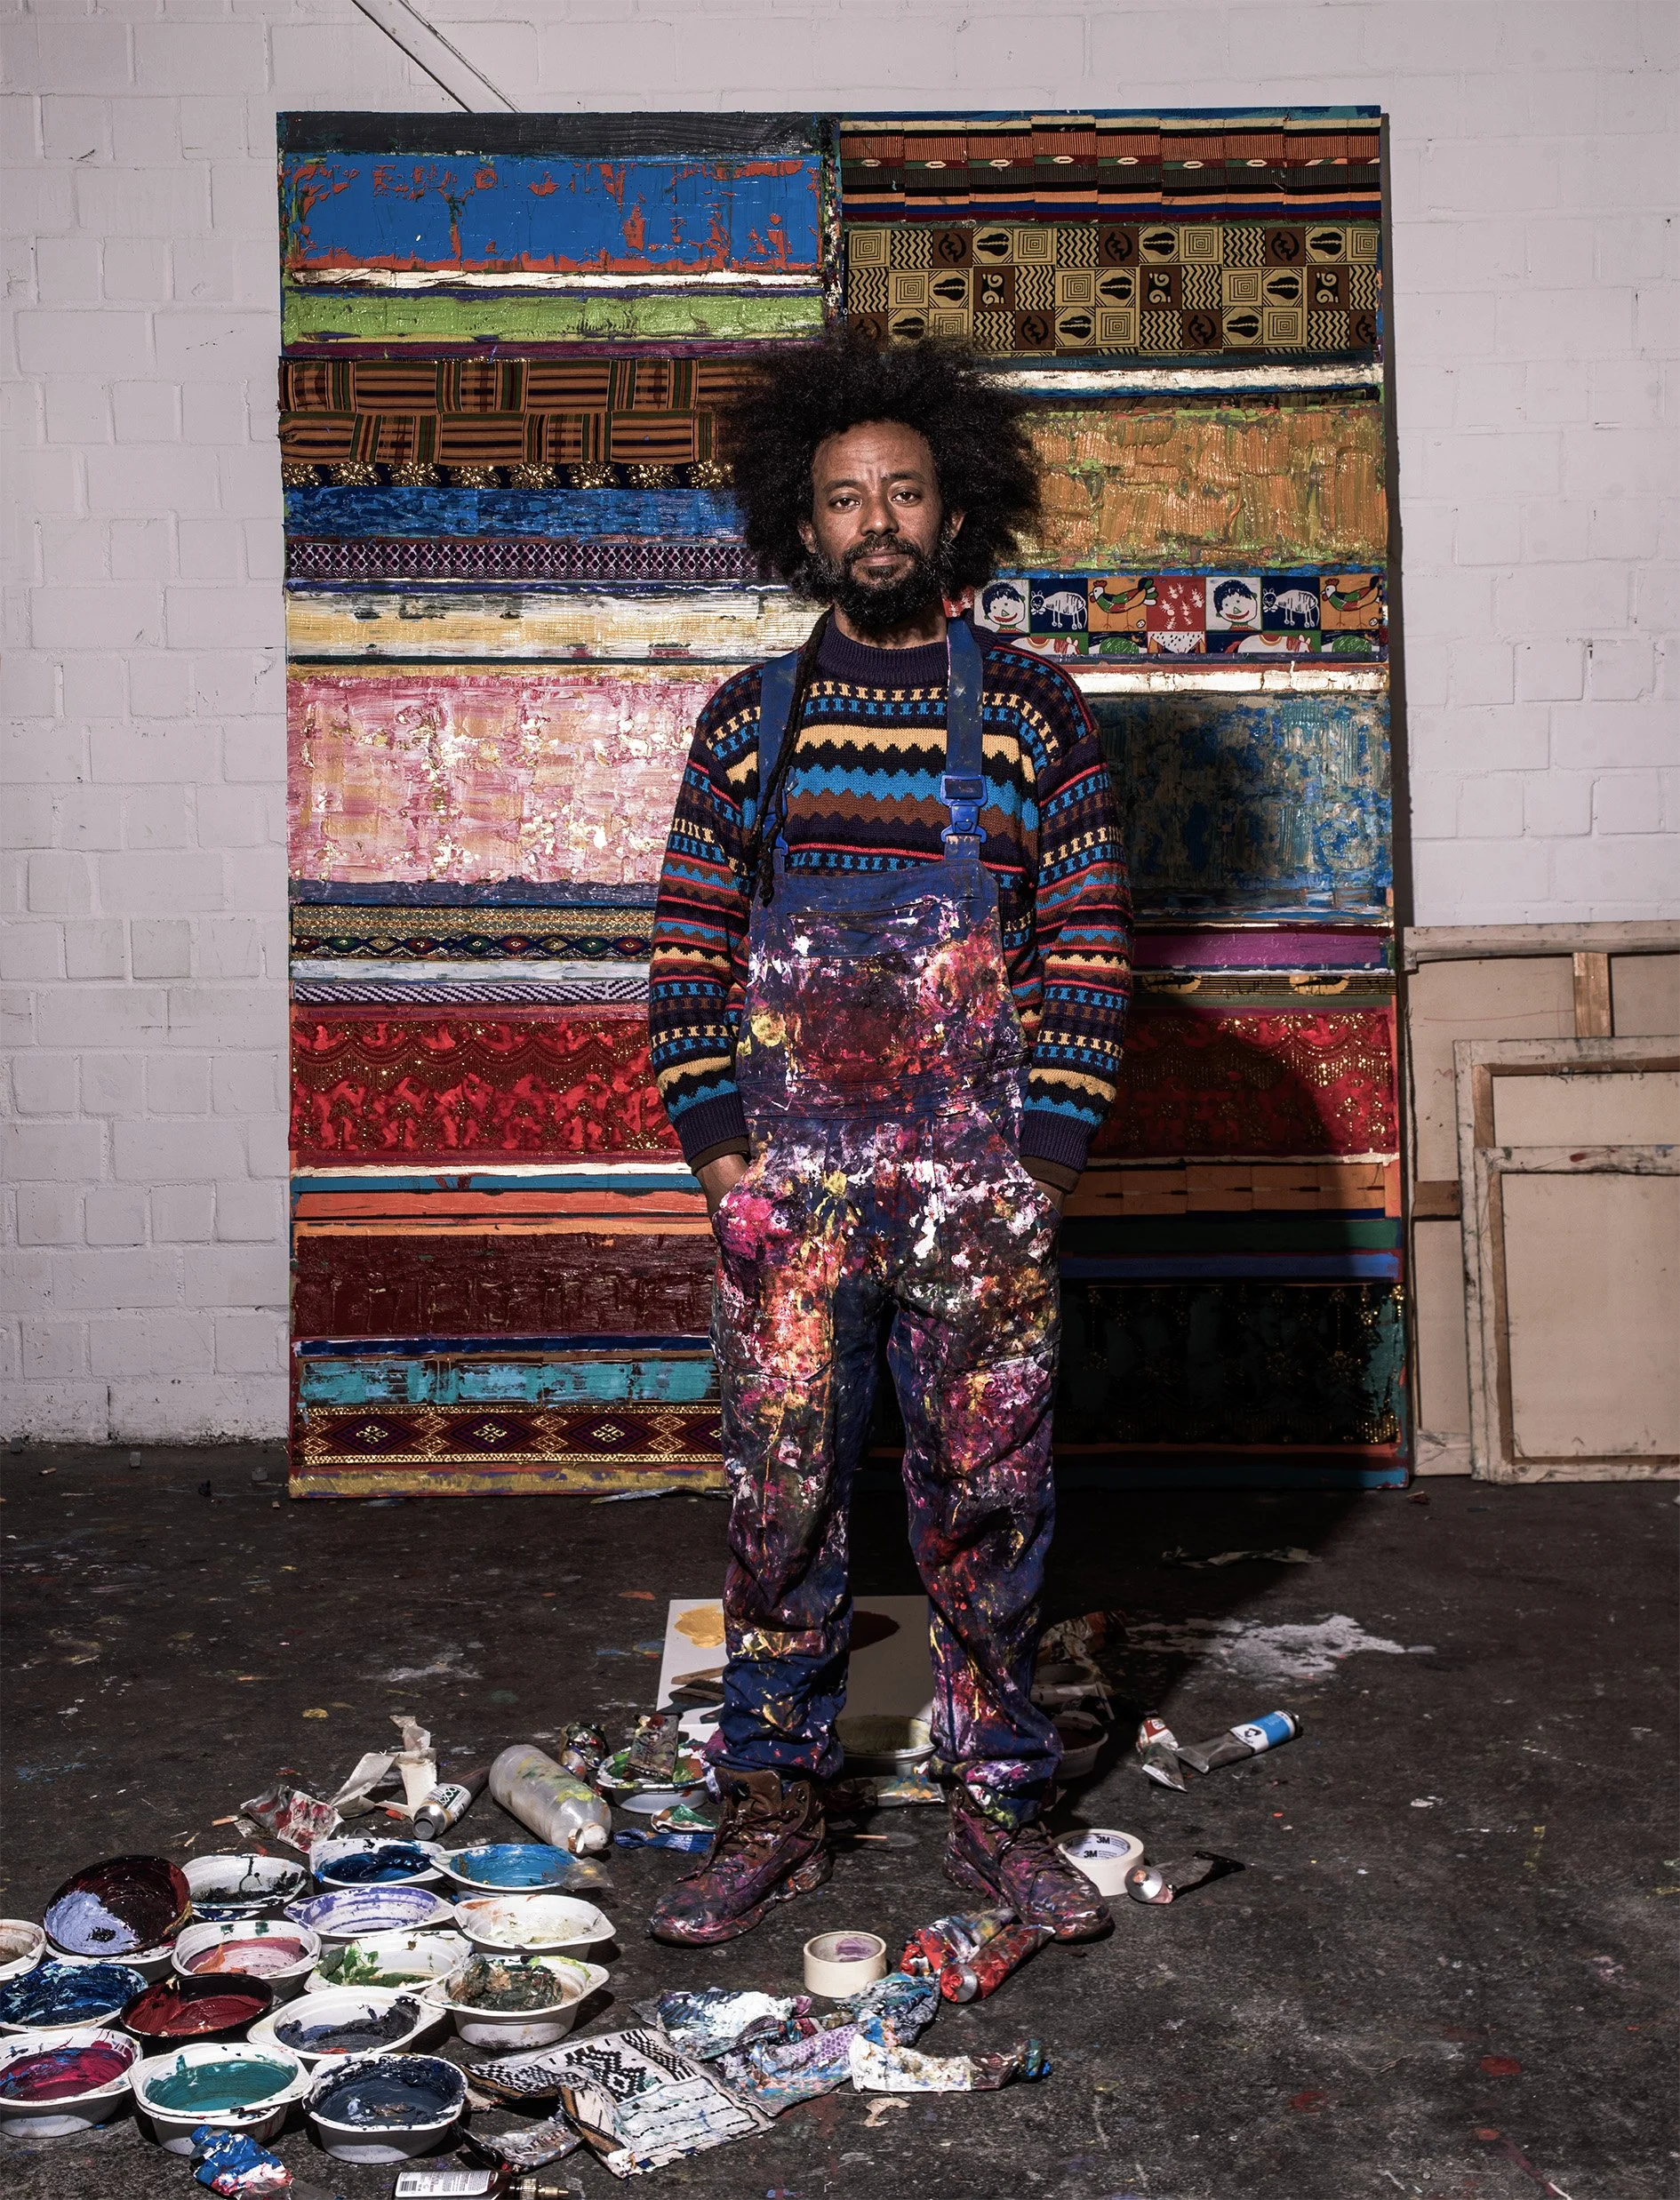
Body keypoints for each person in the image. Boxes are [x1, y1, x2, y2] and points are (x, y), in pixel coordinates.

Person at [645, 332, 1132, 1948]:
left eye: (903, 493)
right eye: (844, 498)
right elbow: (683, 954)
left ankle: (999, 1810)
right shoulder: (745, 724)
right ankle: (772, 1808)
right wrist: (727, 1166)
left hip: (973, 1190)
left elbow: (1088, 957)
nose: (875, 522)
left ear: (952, 511)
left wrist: (1036, 1176)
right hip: (787, 1193)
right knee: (778, 1509)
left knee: (986, 1504)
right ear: (803, 524)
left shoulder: (1035, 715)